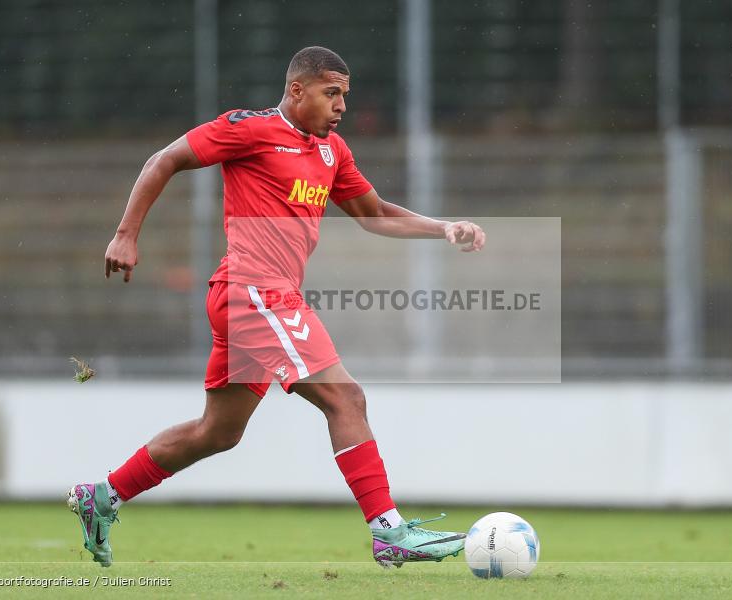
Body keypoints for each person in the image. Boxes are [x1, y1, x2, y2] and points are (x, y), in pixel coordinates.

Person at [67, 46, 486, 569]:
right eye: (331, 93)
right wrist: (126, 234)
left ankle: (101, 496)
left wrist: (443, 227)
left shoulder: (332, 152)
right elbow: (165, 160)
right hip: (253, 291)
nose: (341, 107)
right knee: (346, 398)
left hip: (252, 297)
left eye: (345, 96)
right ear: (297, 90)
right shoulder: (249, 129)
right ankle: (389, 531)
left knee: (218, 432)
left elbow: (374, 213)